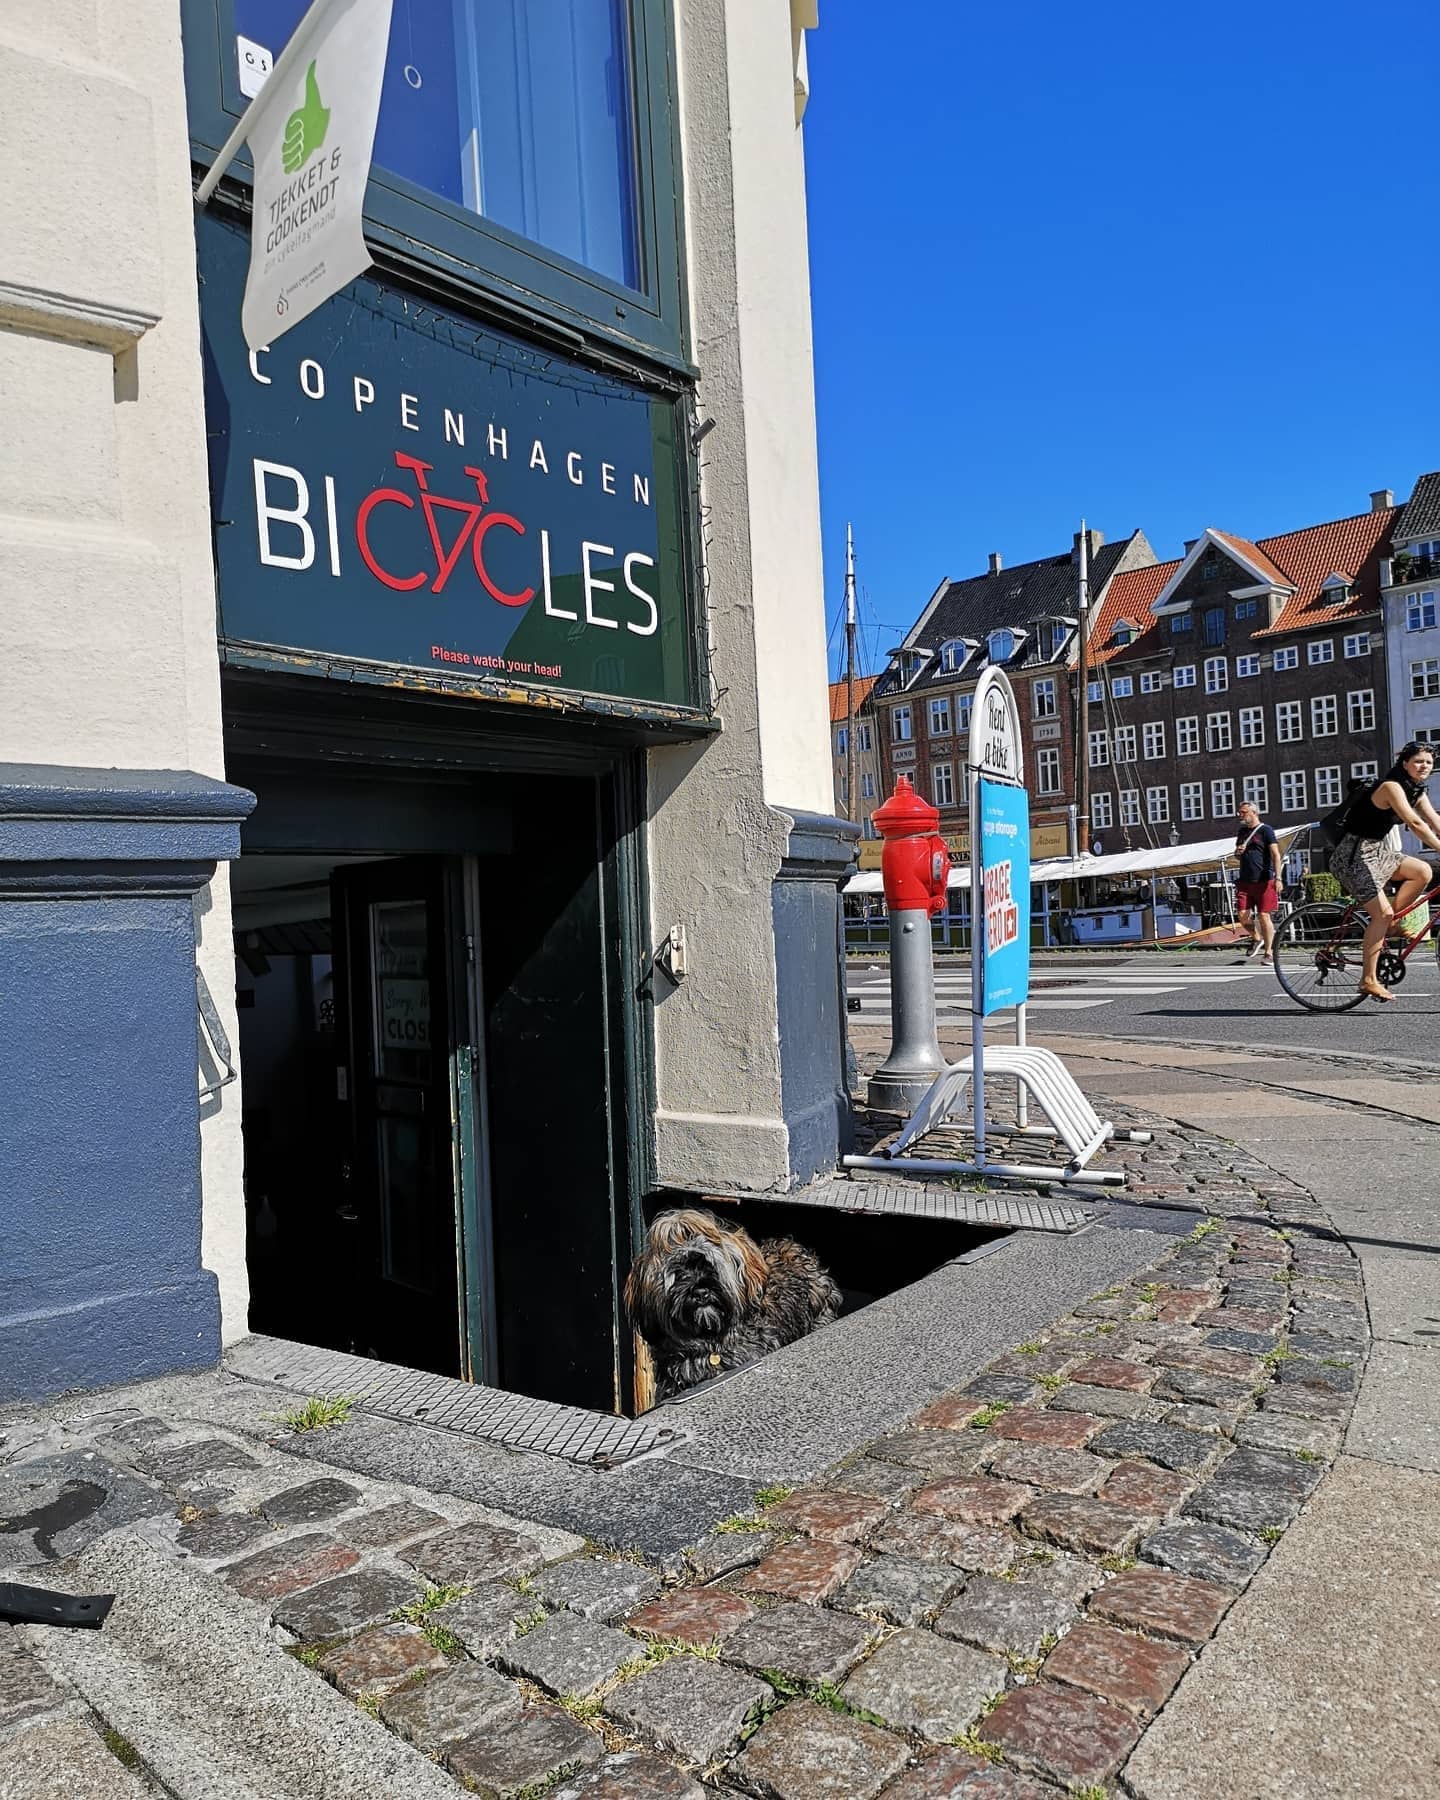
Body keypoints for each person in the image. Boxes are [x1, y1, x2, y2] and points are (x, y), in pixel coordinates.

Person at [1328, 742, 1440, 1001]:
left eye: (1429, 762)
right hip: (1352, 856)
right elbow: (1414, 823)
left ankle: (1392, 924)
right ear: (1405, 763)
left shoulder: (1416, 791)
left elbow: (1434, 821)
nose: (1424, 766)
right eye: (1418, 761)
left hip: (1376, 852)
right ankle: (1368, 980)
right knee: (1382, 914)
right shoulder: (1391, 787)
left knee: (1422, 871)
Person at [1234, 800, 1282, 963]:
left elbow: (1276, 855)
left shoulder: (1266, 831)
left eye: (1243, 812)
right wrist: (1238, 852)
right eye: (1239, 812)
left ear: (1254, 813)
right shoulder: (1242, 832)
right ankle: (1256, 938)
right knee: (1242, 915)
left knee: (1263, 915)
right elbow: (1237, 854)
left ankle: (1268, 952)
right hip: (1245, 880)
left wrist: (1278, 877)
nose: (1240, 815)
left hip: (1264, 880)